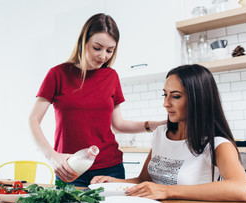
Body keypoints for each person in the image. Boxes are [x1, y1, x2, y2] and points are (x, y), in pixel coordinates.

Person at [29, 13, 166, 187]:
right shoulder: (58, 74)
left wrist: (153, 125)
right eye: (97, 48)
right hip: (70, 168)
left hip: (111, 168)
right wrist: (52, 156)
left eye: (110, 50)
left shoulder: (111, 76)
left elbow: (118, 124)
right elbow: (33, 120)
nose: (103, 56)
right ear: (83, 41)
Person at [91, 64, 246, 202]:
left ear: (198, 100)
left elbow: (242, 189)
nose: (165, 103)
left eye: (175, 96)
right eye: (165, 94)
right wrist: (113, 181)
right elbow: (144, 181)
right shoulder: (161, 134)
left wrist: (167, 191)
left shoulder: (218, 144)